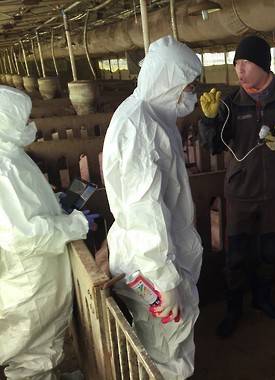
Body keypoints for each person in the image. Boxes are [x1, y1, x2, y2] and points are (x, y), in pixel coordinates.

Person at [198, 35, 275, 337]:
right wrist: (208, 121)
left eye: (245, 62)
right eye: (236, 63)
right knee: (235, 256)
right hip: (241, 193)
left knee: (270, 250)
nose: (239, 69)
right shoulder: (230, 102)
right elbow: (212, 146)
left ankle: (263, 299)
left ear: (263, 64)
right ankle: (234, 308)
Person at [102, 36, 203, 379]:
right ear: (169, 81)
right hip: (152, 264)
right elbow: (144, 208)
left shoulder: (152, 117)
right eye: (187, 86)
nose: (191, 93)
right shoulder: (139, 127)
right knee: (166, 343)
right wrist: (166, 279)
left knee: (162, 338)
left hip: (156, 256)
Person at [0, 86, 90, 379]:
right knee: (32, 358)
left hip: (34, 278)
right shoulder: (4, 167)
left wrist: (55, 206)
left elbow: (24, 210)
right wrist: (75, 224)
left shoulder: (10, 153)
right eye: (23, 120)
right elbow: (22, 235)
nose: (31, 126)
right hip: (29, 283)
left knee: (42, 351)